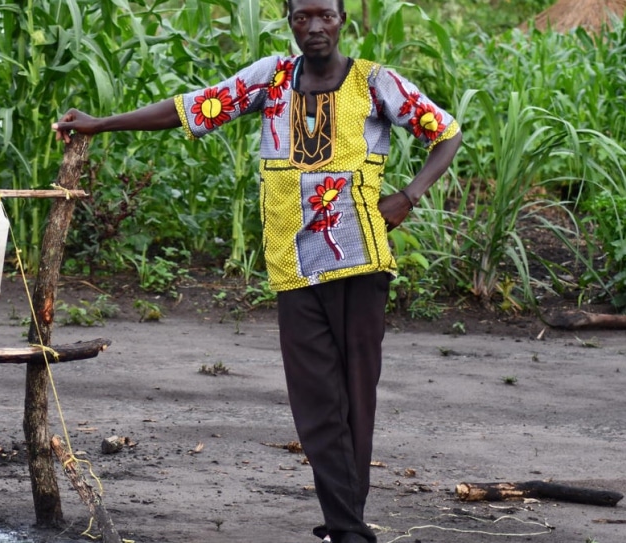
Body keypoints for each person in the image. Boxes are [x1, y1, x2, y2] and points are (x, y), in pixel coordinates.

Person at [52, 0, 462, 541]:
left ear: (342, 21)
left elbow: (446, 132)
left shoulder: (375, 82)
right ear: (289, 21)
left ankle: (346, 525)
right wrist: (100, 125)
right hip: (292, 264)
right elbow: (194, 108)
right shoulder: (270, 79)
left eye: (326, 16)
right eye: (302, 17)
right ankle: (348, 527)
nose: (314, 27)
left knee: (356, 396)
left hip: (360, 258)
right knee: (316, 400)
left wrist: (408, 196)